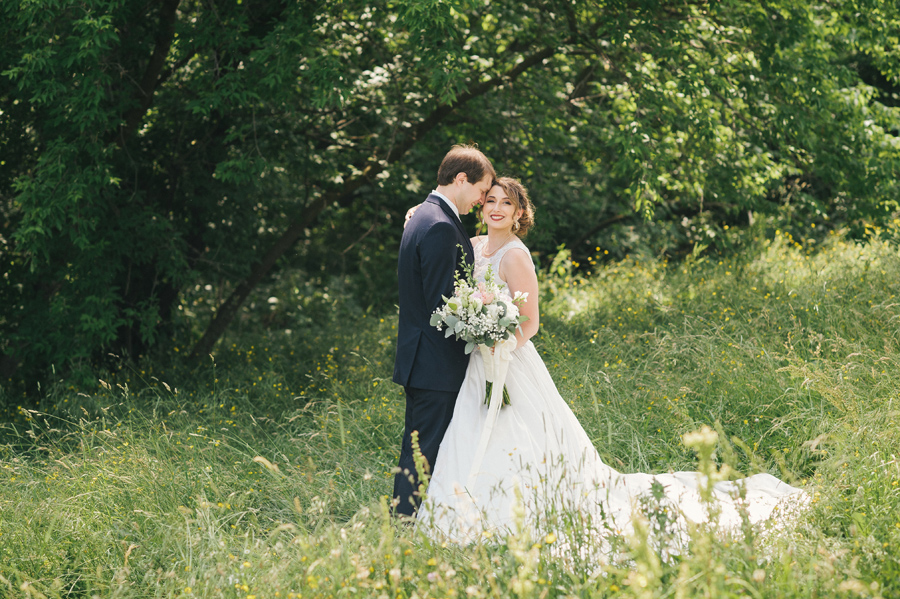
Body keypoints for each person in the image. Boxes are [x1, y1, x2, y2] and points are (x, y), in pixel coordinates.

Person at [416, 177, 806, 547]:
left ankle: (514, 509)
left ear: (520, 214)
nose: (498, 208)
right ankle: (463, 506)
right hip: (476, 364)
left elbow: (530, 322)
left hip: (508, 361)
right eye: (492, 201)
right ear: (481, 206)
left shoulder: (515, 255)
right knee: (468, 431)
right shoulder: (472, 243)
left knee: (517, 435)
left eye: (508, 204)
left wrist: (498, 346)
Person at [392, 145, 496, 517]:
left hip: (424, 360)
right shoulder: (437, 225)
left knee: (422, 447)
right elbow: (443, 306)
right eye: (482, 191)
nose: (482, 201)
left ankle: (415, 521)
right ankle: (403, 524)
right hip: (435, 363)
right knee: (424, 451)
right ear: (461, 179)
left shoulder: (424, 215)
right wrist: (486, 320)